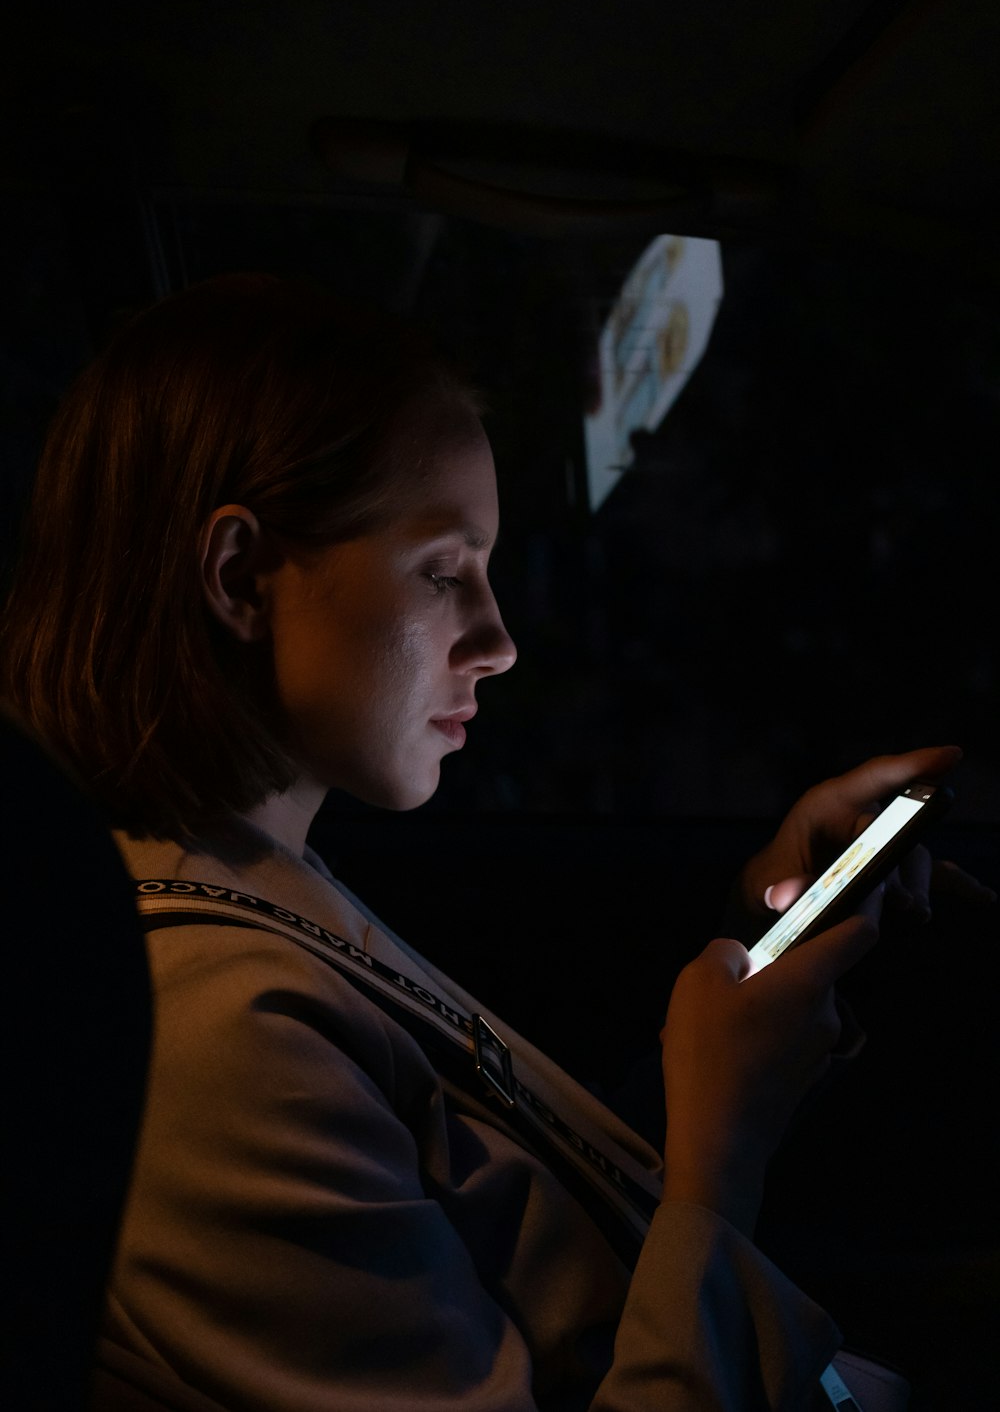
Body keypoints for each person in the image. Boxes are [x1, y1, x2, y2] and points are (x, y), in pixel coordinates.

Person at [0, 271, 969, 1412]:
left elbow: (546, 1239)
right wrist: (722, 1155)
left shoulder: (267, 893)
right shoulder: (216, 1032)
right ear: (238, 578)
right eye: (442, 572)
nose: (498, 641)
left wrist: (755, 949)